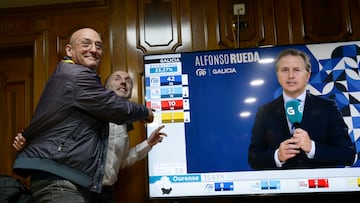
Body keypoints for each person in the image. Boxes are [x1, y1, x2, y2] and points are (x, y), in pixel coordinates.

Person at [12, 27, 154, 203]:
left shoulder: (76, 88)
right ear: (69, 50)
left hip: (82, 183)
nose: (93, 49)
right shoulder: (76, 76)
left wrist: (27, 136)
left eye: (98, 46)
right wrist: (146, 111)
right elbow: (115, 107)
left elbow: (52, 121)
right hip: (60, 178)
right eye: (86, 44)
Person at [248, 48, 356, 170]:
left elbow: (348, 155)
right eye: (284, 70)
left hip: (321, 186)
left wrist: (312, 148)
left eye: (297, 70)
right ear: (278, 75)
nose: (291, 75)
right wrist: (277, 156)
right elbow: (253, 158)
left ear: (308, 75)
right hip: (282, 187)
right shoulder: (265, 112)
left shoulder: (328, 108)